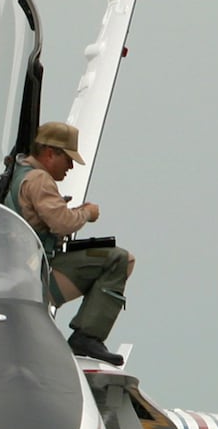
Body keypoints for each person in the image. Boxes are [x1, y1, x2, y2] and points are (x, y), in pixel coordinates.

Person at [7, 121, 134, 366]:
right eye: (68, 159)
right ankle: (87, 337)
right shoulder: (39, 180)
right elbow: (63, 223)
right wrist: (87, 213)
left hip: (23, 270)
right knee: (120, 260)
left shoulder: (19, 173)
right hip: (38, 275)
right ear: (50, 153)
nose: (71, 167)